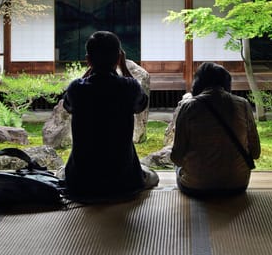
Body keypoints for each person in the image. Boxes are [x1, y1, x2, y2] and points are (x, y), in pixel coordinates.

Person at [61, 30, 159, 202]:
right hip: (124, 182)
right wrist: (124, 68)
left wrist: (90, 68)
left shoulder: (77, 88)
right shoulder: (129, 87)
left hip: (81, 183)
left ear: (88, 59)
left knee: (61, 172)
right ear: (118, 58)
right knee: (152, 176)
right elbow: (141, 104)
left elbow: (68, 105)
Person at [171, 62, 261, 197]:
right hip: (237, 184)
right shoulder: (243, 104)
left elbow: (176, 157)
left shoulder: (188, 107)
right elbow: (255, 153)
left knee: (177, 169)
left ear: (198, 82)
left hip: (196, 186)